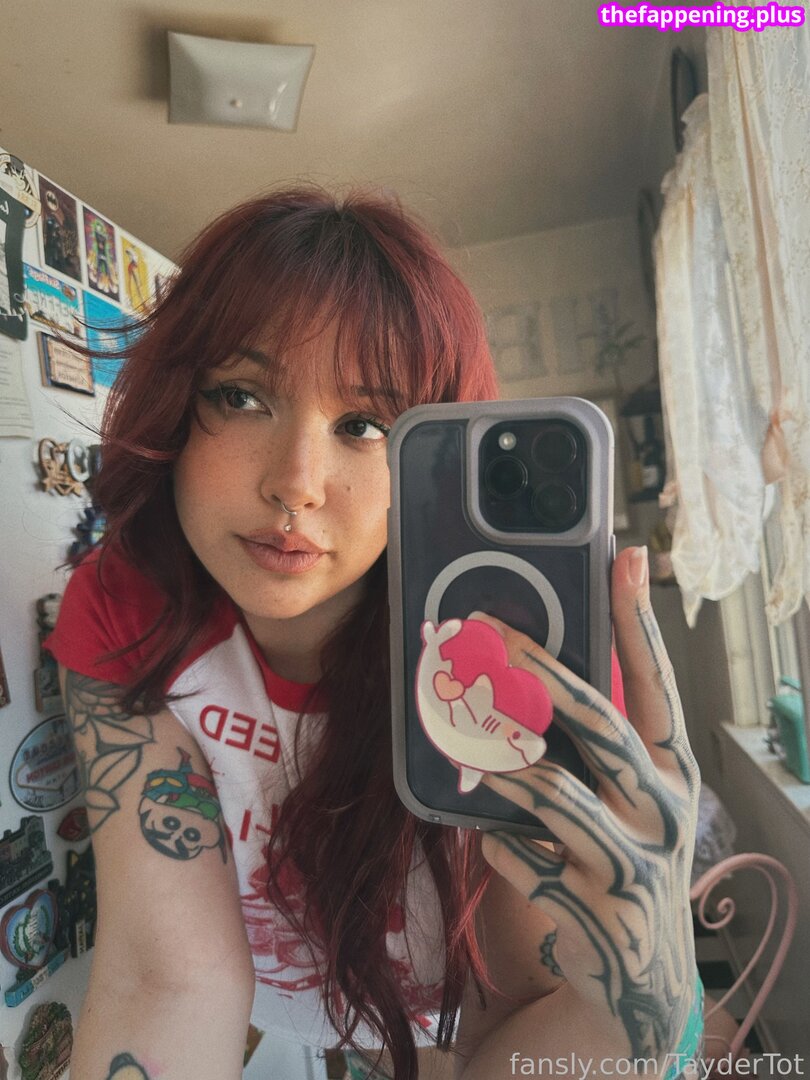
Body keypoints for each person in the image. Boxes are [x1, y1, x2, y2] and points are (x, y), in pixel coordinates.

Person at [46, 187, 702, 1080]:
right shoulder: (127, 605)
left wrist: (641, 1008)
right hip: (270, 1026)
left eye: (363, 425)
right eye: (240, 396)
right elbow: (168, 981)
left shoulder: (514, 664)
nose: (296, 484)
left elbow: (515, 1023)